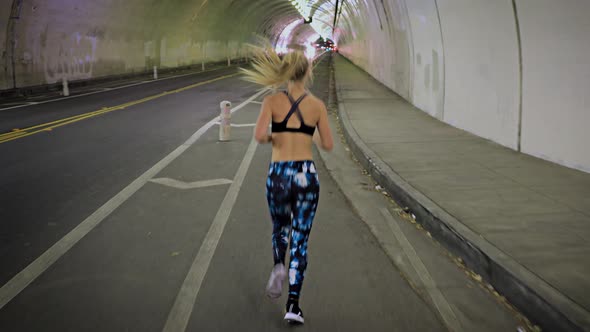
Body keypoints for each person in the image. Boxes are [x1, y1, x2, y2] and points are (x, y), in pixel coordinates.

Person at [241, 42, 333, 325]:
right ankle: (293, 304)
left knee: (280, 228)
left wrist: (274, 138)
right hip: (306, 175)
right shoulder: (317, 106)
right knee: (300, 240)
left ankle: (278, 265)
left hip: (278, 174)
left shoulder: (271, 102)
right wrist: (310, 135)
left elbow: (259, 136)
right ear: (307, 74)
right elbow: (327, 145)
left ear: (286, 73)